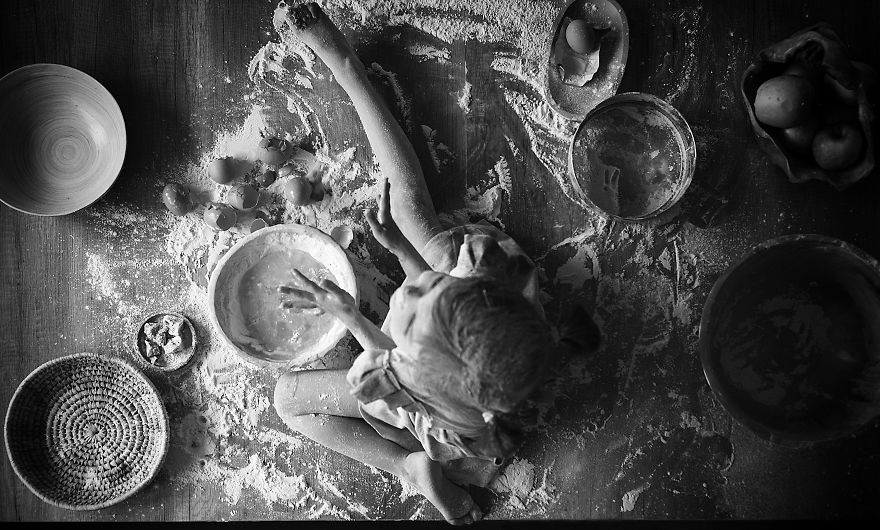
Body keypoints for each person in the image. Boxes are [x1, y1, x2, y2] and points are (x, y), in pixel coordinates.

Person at [271, 2, 599, 524]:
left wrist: (353, 317)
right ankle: (344, 62)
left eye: (408, 307)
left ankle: (408, 468)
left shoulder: (421, 392)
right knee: (409, 217)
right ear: (474, 290)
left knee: (287, 399)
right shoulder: (493, 286)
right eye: (427, 292)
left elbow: (384, 361)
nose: (409, 291)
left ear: (407, 369)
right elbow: (428, 309)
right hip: (472, 392)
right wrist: (403, 249)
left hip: (446, 427)